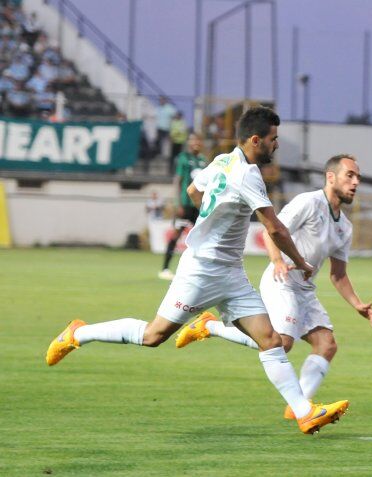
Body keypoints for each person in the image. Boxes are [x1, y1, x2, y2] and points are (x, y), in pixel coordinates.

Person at [45, 106, 348, 435]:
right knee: (153, 336)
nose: (276, 145)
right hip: (202, 270)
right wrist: (300, 262)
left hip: (231, 273)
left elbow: (193, 191)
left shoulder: (223, 160)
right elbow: (274, 228)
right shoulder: (247, 174)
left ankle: (304, 413)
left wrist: (211, 215)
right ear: (255, 140)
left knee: (271, 340)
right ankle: (78, 334)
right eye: (273, 139)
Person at [174, 154, 372, 421]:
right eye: (349, 175)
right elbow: (272, 230)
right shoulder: (309, 202)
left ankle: (299, 407)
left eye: (358, 177)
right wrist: (278, 260)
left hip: (305, 290)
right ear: (331, 177)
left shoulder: (345, 228)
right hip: (282, 281)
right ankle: (209, 326)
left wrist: (357, 304)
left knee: (326, 345)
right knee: (282, 342)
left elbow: (338, 275)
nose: (355, 182)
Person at [159, 133, 209, 280]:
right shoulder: (183, 158)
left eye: (198, 140)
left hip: (199, 207)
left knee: (202, 236)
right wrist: (178, 203)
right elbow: (178, 181)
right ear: (189, 143)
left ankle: (198, 269)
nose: (196, 143)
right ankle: (165, 268)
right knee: (176, 234)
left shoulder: (203, 160)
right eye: (193, 140)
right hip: (185, 205)